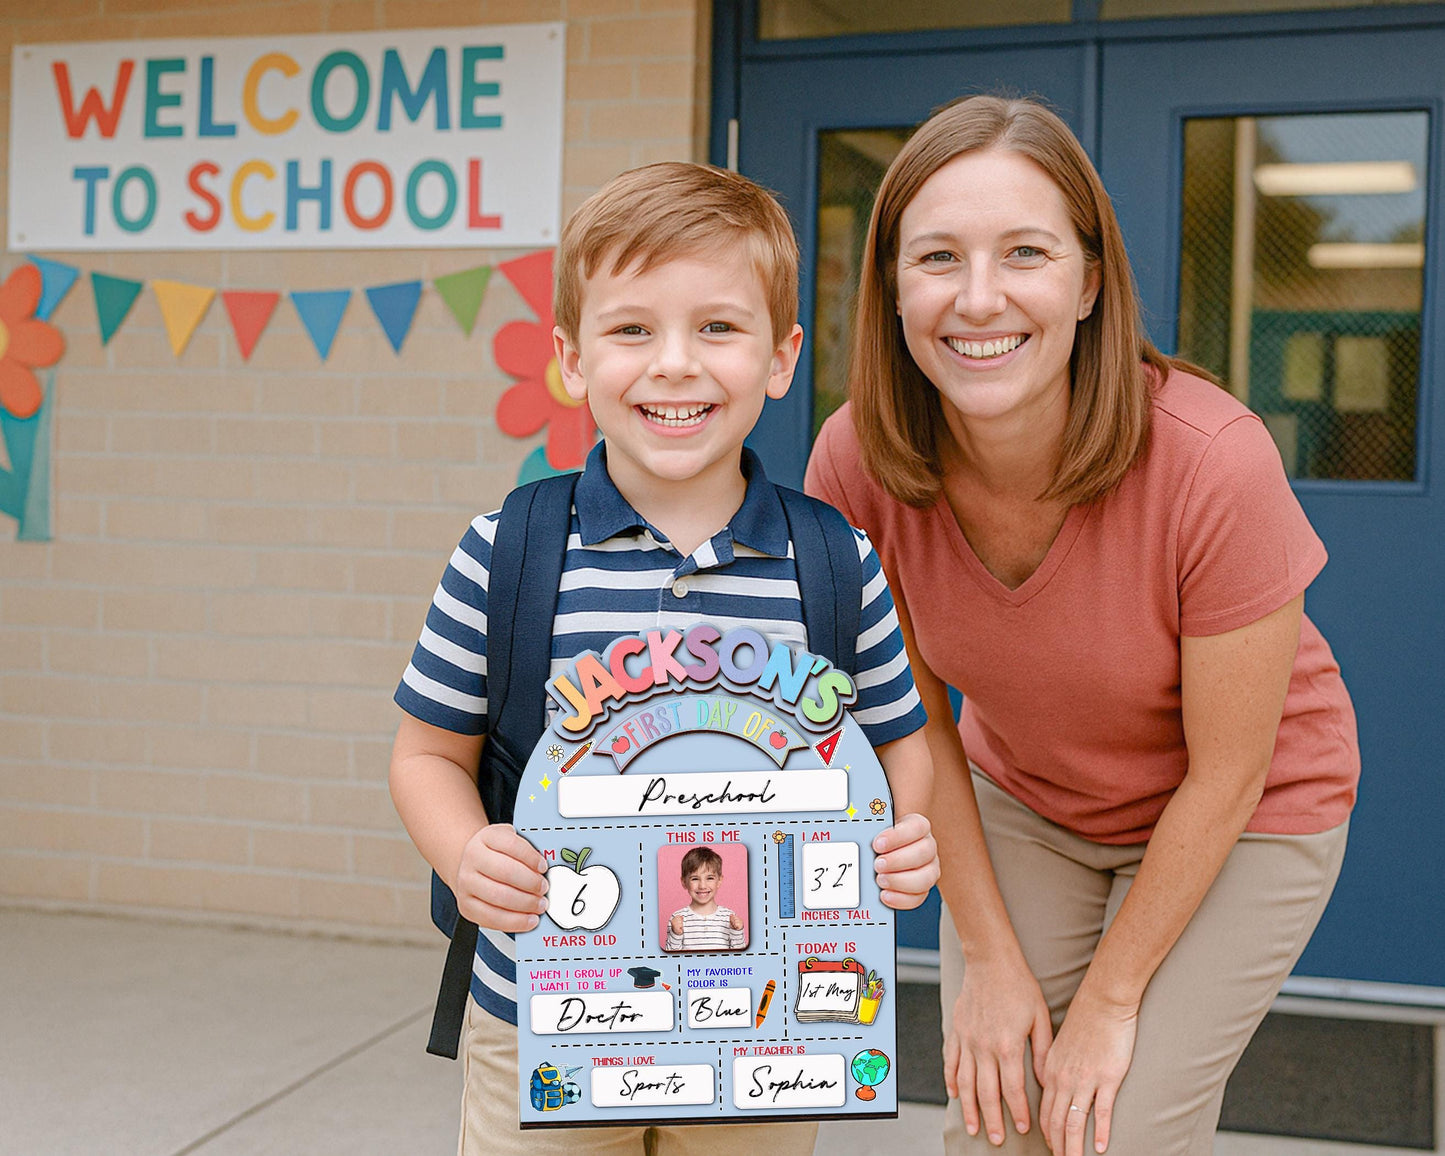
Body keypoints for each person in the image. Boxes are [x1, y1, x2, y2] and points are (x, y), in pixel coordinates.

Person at [806, 96, 1359, 1156]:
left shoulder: (1211, 461)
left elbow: (1228, 773)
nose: (978, 298)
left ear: (1087, 280)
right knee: (996, 1126)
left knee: (1113, 1129)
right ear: (889, 287)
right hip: (1029, 799)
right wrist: (985, 957)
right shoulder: (855, 462)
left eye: (1023, 252)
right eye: (935, 258)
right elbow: (910, 720)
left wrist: (1106, 1006)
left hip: (1244, 813)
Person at [389, 161, 941, 1156]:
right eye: (632, 328)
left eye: (717, 328)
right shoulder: (505, 551)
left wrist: (904, 833)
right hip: (543, 1015)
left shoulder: (832, 560)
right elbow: (426, 755)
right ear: (569, 356)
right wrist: (465, 853)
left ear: (781, 357)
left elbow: (900, 741)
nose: (674, 364)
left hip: (764, 1031)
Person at [666, 846, 746, 951]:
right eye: (695, 879)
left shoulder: (729, 917)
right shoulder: (677, 918)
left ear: (719, 881)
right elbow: (671, 959)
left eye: (710, 878)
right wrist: (676, 934)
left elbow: (739, 957)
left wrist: (737, 931)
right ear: (684, 882)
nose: (702, 886)